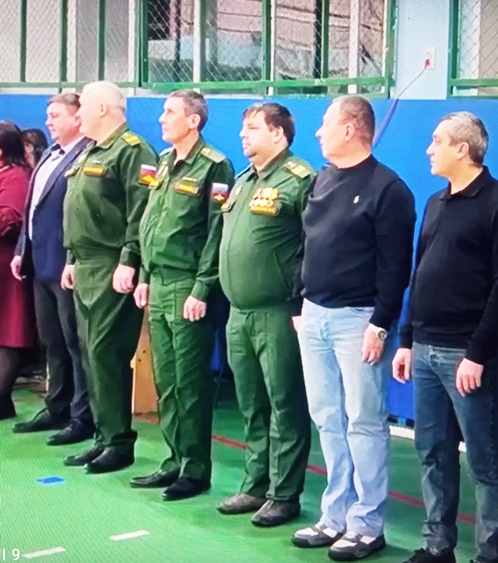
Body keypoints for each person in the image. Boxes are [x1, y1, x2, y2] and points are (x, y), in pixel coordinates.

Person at [392, 112, 498, 563]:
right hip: (426, 349)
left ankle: (489, 556)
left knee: (485, 461)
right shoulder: (436, 203)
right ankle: (438, 546)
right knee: (432, 451)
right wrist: (407, 339)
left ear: (462, 149)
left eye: (437, 141)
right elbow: (420, 273)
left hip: (469, 355)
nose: (429, 149)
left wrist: (477, 353)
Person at [292, 96, 416, 561]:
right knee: (327, 416)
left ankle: (367, 524)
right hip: (314, 315)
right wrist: (299, 303)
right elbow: (307, 245)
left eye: (326, 124)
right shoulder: (322, 179)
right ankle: (335, 514)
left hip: (358, 320)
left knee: (363, 420)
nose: (318, 132)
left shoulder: (389, 190)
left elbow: (396, 266)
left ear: (349, 129)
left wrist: (381, 324)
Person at [131, 90, 234, 501]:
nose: (162, 118)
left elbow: (216, 230)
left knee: (190, 382)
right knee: (167, 381)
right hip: (158, 282)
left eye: (170, 112)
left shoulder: (214, 165)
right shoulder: (161, 162)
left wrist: (202, 287)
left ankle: (195, 469)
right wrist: (143, 273)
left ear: (194, 120)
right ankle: (174, 459)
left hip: (187, 284)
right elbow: (149, 219)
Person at [216, 103, 312, 527]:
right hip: (238, 312)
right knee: (251, 404)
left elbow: (313, 246)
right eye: (243, 128)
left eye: (253, 128)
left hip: (276, 312)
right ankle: (255, 484)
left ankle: (284, 494)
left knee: (283, 402)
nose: (244, 135)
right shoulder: (242, 182)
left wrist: (298, 302)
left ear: (278, 134)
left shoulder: (299, 180)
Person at [61, 81, 157, 474]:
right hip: (85, 265)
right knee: (89, 354)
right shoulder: (90, 151)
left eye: (83, 105)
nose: (78, 113)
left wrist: (129, 259)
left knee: (107, 354)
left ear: (103, 108)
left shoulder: (133, 150)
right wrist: (71, 257)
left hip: (111, 265)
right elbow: (77, 210)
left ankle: (118, 441)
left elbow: (142, 210)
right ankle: (103, 437)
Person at [11, 94, 95, 445]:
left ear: (77, 119)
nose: (48, 122)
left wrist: (72, 260)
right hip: (40, 263)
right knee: (52, 342)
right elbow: (32, 208)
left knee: (75, 342)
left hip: (66, 264)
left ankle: (82, 415)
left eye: (55, 115)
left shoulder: (88, 155)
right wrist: (22, 250)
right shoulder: (49, 154)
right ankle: (56, 405)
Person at [0, 124, 35, 420]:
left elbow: (10, 217)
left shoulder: (16, 176)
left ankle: (1, 399)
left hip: (8, 267)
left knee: (9, 331)